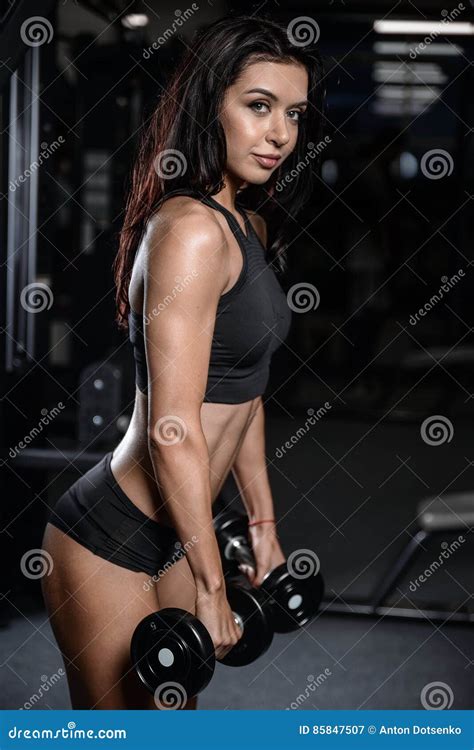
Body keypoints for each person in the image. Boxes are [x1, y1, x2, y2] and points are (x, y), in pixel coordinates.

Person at [41, 13, 325, 710]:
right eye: (257, 106)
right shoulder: (192, 231)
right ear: (210, 104)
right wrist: (208, 584)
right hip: (111, 537)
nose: (281, 133)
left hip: (181, 526)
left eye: (293, 113)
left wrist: (263, 528)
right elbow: (173, 428)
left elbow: (246, 393)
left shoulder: (247, 224)